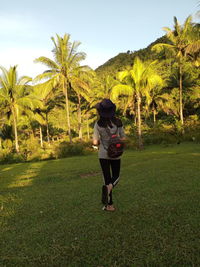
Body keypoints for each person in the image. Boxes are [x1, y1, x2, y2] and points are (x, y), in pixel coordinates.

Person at [93, 98, 126, 211]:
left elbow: (95, 142)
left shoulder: (98, 124)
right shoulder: (118, 122)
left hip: (103, 154)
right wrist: (116, 139)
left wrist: (98, 143)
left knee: (106, 179)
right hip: (116, 153)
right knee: (116, 176)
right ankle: (111, 187)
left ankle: (110, 205)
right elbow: (123, 137)